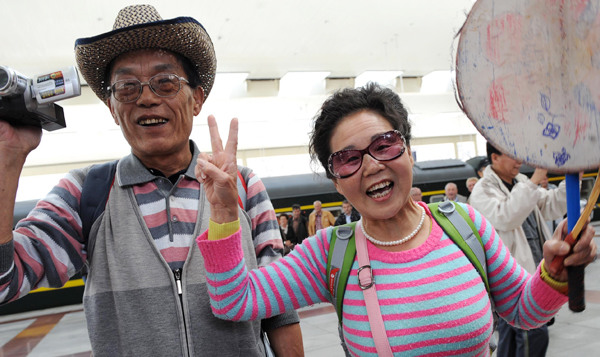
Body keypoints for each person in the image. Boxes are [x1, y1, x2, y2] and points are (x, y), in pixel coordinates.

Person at [194, 83, 596, 356]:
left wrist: (554, 272)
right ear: (337, 183)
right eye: (348, 158)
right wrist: (227, 212)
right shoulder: (330, 254)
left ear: (408, 152)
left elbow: (525, 312)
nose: (370, 165)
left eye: (384, 144)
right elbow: (235, 300)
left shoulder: (465, 226)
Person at [0, 5, 302, 356]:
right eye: (127, 87)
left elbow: (278, 306)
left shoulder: (243, 186)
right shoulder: (85, 193)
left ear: (197, 99)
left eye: (165, 82)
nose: (146, 98)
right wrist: (9, 158)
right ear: (113, 109)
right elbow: (5, 283)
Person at [469, 142, 569, 357]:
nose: (519, 161)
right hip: (511, 280)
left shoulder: (521, 182)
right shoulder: (483, 190)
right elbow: (506, 217)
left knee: (513, 339)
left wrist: (571, 181)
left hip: (533, 272)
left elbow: (551, 206)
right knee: (532, 334)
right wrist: (535, 180)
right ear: (494, 158)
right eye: (513, 155)